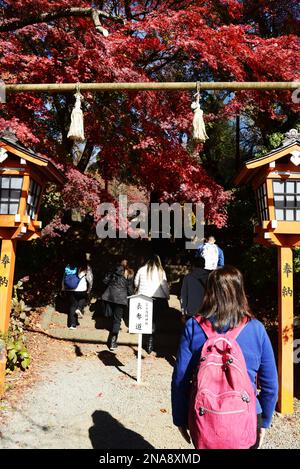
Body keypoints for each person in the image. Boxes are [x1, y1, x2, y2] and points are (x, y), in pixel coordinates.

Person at [172, 266, 278, 449]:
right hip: (247, 414)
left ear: (209, 291)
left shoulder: (193, 327)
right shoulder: (256, 329)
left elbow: (180, 380)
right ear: (240, 291)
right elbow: (270, 384)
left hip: (205, 415)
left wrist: (180, 418)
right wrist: (264, 420)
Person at [134, 254, 169, 354]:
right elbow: (164, 286)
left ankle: (148, 339)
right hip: (157, 299)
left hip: (143, 298)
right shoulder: (161, 271)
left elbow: (136, 283)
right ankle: (150, 342)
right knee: (154, 320)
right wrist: (167, 296)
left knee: (147, 319)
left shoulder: (141, 269)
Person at [102, 259, 134, 351]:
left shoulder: (113, 270)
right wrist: (131, 296)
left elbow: (105, 281)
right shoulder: (129, 273)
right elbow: (129, 288)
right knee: (117, 320)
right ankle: (113, 341)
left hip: (110, 296)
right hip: (121, 299)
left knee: (112, 316)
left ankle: (112, 329)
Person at [62, 254, 93, 330]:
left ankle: (72, 325)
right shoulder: (86, 266)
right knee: (83, 298)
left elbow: (64, 277)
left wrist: (63, 288)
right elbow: (90, 278)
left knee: (72, 305)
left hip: (70, 289)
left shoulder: (69, 266)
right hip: (82, 288)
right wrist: (89, 288)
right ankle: (79, 308)